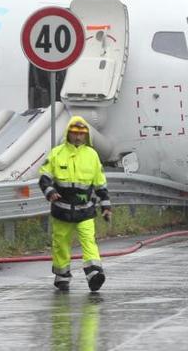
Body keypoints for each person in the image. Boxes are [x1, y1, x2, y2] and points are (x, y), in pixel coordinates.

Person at [38, 116, 111, 292]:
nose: (78, 137)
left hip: (85, 210)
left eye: (81, 134)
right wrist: (50, 192)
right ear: (68, 133)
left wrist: (106, 207)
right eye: (75, 133)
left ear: (86, 136)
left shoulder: (92, 155)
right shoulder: (56, 153)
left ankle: (94, 273)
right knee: (61, 243)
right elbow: (44, 177)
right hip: (61, 210)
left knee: (88, 241)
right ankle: (62, 275)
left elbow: (100, 184)